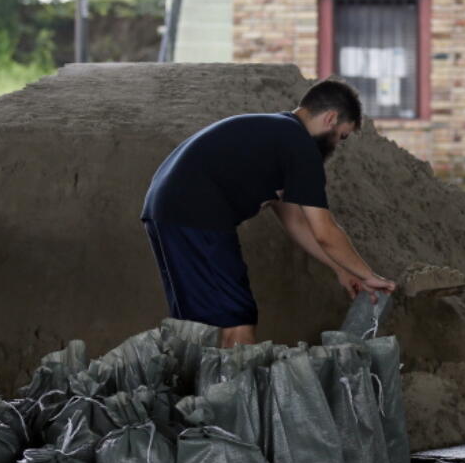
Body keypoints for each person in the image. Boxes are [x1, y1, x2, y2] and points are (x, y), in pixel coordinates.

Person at [141, 78, 395, 348]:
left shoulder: (277, 135)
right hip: (196, 213)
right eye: (341, 137)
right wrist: (368, 275)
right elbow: (325, 232)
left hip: (163, 209)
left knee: (197, 324)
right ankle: (237, 389)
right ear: (330, 118)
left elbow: (297, 222)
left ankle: (198, 388)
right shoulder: (300, 147)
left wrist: (341, 269)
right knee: (236, 320)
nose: (336, 146)